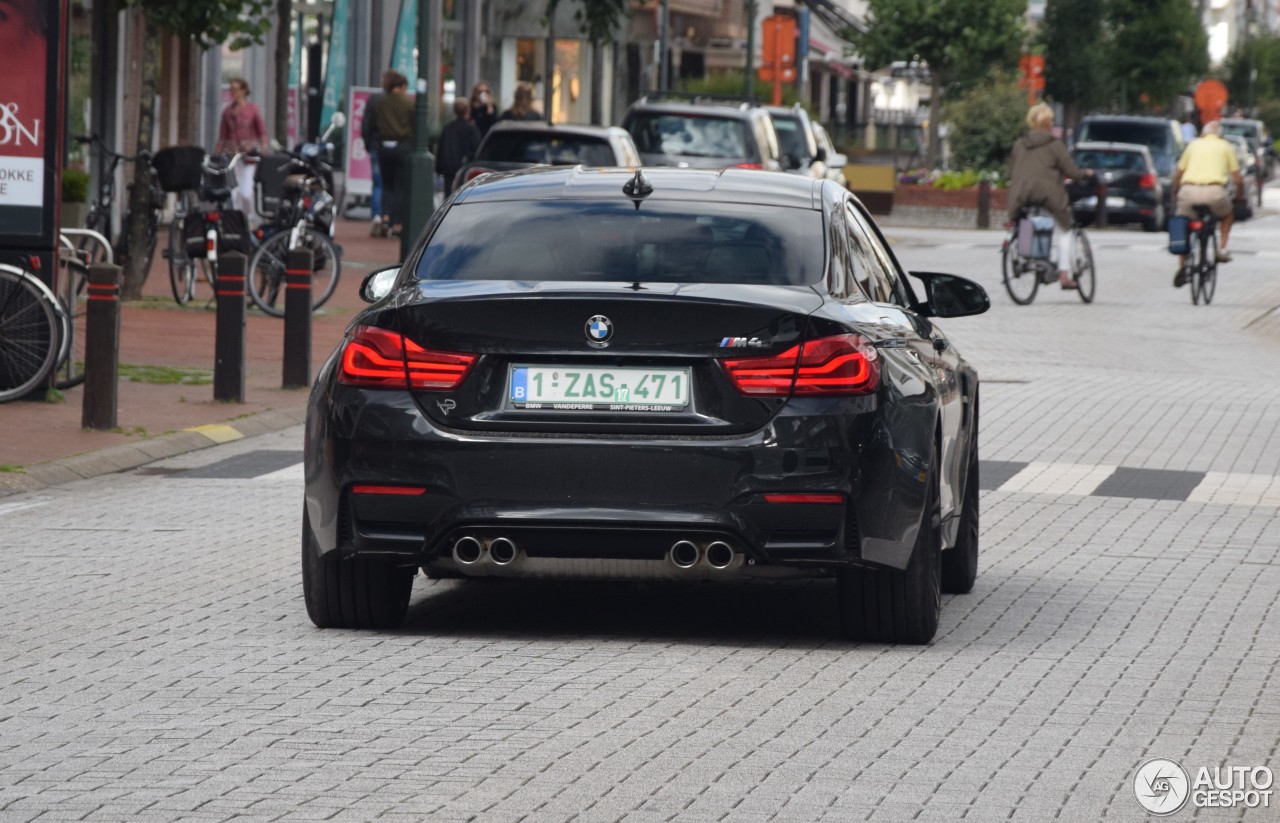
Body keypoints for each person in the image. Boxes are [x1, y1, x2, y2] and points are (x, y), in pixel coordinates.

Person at [1008, 102, 1093, 289]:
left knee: (1025, 221)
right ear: (1047, 123)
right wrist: (1085, 174)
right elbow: (1071, 171)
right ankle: (1064, 274)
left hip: (1022, 193)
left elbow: (1011, 171)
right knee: (1065, 229)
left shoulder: (1020, 144)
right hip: (1048, 194)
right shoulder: (1054, 144)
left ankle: (1025, 257)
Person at [1171, 119, 1245, 285]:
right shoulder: (1226, 146)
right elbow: (1238, 178)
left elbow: (1178, 173)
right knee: (1227, 215)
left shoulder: (1193, 145)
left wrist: (1175, 193)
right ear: (1220, 134)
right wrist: (1240, 196)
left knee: (1182, 223)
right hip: (1215, 192)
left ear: (1203, 133)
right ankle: (1222, 248)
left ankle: (1182, 266)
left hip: (1188, 191)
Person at [366, 70, 414, 237]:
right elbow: (416, 127)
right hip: (402, 148)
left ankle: (385, 216)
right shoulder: (409, 104)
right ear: (401, 86)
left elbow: (370, 126)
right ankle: (397, 223)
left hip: (383, 148)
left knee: (386, 185)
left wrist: (370, 144)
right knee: (400, 186)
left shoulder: (379, 103)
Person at [215, 78, 268, 221]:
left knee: (246, 191)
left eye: (236, 89)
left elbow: (262, 131)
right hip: (232, 155)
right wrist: (218, 152)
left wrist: (263, 146)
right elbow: (222, 135)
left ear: (244, 91)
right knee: (233, 191)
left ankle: (247, 217)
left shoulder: (252, 109)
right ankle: (235, 220)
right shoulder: (227, 111)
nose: (233, 92)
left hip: (248, 156)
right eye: (231, 89)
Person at [435, 99, 482, 198]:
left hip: (448, 170)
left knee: (449, 196)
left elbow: (441, 149)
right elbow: (477, 149)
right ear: (467, 111)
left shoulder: (447, 128)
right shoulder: (471, 129)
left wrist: (439, 169)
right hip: (464, 170)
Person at [360, 89, 388, 236]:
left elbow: (365, 124)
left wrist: (368, 144)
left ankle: (377, 215)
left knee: (378, 184)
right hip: (390, 147)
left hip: (376, 147)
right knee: (390, 185)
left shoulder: (373, 100)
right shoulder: (395, 101)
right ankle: (388, 218)